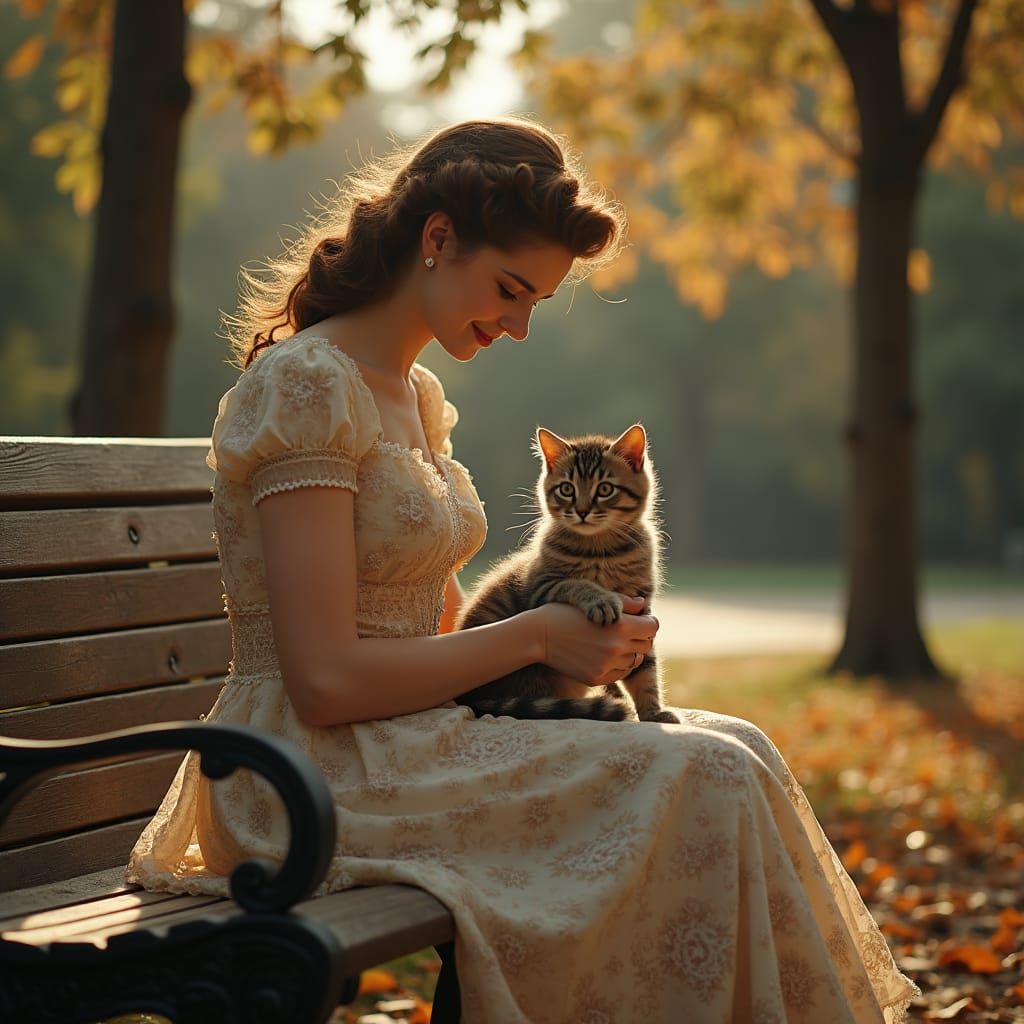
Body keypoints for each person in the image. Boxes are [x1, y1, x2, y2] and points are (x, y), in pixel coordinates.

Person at [127, 116, 917, 1022]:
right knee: (706, 772)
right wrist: (541, 633)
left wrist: (563, 656)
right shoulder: (306, 387)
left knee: (739, 748)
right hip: (304, 778)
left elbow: (428, 621)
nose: (518, 324)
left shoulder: (415, 396)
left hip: (409, 738)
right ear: (436, 239)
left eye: (534, 302)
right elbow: (323, 681)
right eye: (510, 290)